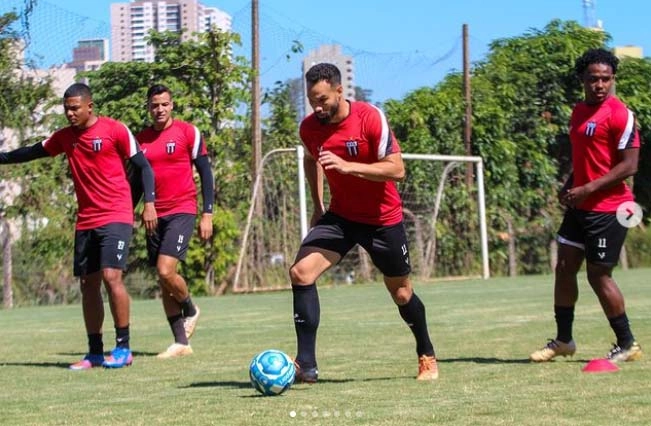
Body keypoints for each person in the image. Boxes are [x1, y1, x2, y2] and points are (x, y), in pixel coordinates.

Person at [290, 63, 438, 382]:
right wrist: (317, 205)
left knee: (401, 293)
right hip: (341, 217)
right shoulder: (309, 128)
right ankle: (307, 366)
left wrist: (348, 166)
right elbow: (309, 157)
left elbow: (397, 169)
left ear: (340, 91)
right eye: (311, 99)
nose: (318, 106)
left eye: (323, 98)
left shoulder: (370, 117)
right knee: (301, 272)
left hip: (382, 220)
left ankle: (426, 353)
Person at [0, 83, 157, 369]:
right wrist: (3, 157)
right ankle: (94, 352)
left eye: (74, 108)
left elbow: (144, 167)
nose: (70, 113)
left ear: (89, 106)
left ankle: (123, 348)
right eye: (66, 109)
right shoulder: (64, 138)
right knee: (88, 284)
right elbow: (34, 151)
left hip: (117, 214)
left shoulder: (115, 130)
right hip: (86, 219)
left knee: (112, 277)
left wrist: (149, 204)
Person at [530, 48, 642, 363]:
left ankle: (627, 342)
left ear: (612, 80)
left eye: (606, 79)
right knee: (564, 268)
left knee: (598, 275)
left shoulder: (620, 113)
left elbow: (630, 165)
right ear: (582, 79)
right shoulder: (579, 112)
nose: (600, 85)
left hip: (610, 208)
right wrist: (569, 187)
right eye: (594, 79)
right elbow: (585, 161)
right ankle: (564, 340)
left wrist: (589, 188)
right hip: (580, 206)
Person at [134, 84, 213, 359]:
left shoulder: (187, 132)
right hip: (153, 215)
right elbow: (135, 181)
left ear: (172, 105)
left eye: (164, 104)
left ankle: (191, 309)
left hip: (182, 209)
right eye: (154, 105)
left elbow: (205, 172)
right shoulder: (140, 139)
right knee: (162, 278)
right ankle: (181, 342)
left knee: (166, 270)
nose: (159, 109)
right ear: (148, 107)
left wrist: (207, 213)